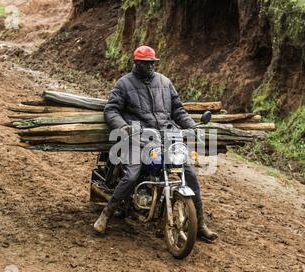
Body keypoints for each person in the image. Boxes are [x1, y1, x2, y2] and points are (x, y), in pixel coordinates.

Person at [93, 45, 218, 241]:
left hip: (167, 137)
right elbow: (111, 110)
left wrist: (192, 126)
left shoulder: (165, 82)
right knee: (132, 175)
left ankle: (200, 224)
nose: (150, 66)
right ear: (136, 63)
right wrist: (124, 127)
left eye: (152, 63)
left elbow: (178, 110)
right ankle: (106, 215)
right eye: (145, 63)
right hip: (137, 139)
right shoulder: (123, 84)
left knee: (190, 175)